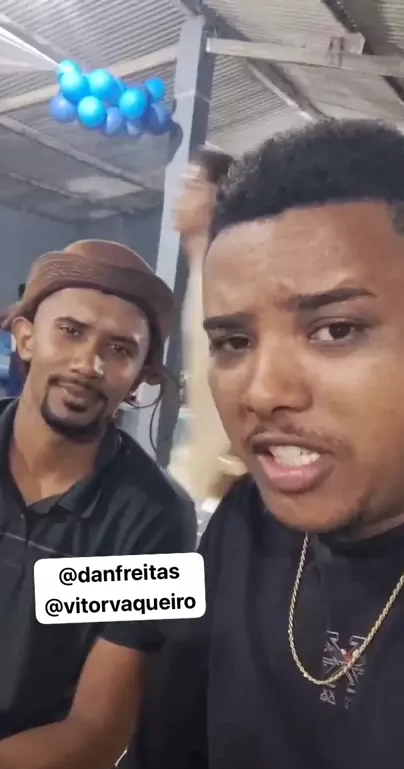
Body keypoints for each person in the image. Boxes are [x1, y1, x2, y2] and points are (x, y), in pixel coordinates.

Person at [81, 119, 404, 769]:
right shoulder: (249, 527)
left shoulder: (151, 505)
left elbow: (93, 723)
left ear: (147, 375)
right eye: (232, 342)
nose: (262, 391)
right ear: (22, 337)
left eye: (336, 330)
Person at [0, 239, 196, 769]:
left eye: (119, 349)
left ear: (140, 378)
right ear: (24, 338)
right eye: (70, 331)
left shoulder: (158, 520)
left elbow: (93, 736)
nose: (87, 364)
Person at [168, 148, 246, 509]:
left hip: (224, 475)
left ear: (218, 196)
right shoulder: (198, 276)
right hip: (201, 469)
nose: (180, 198)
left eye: (193, 186)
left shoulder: (231, 285)